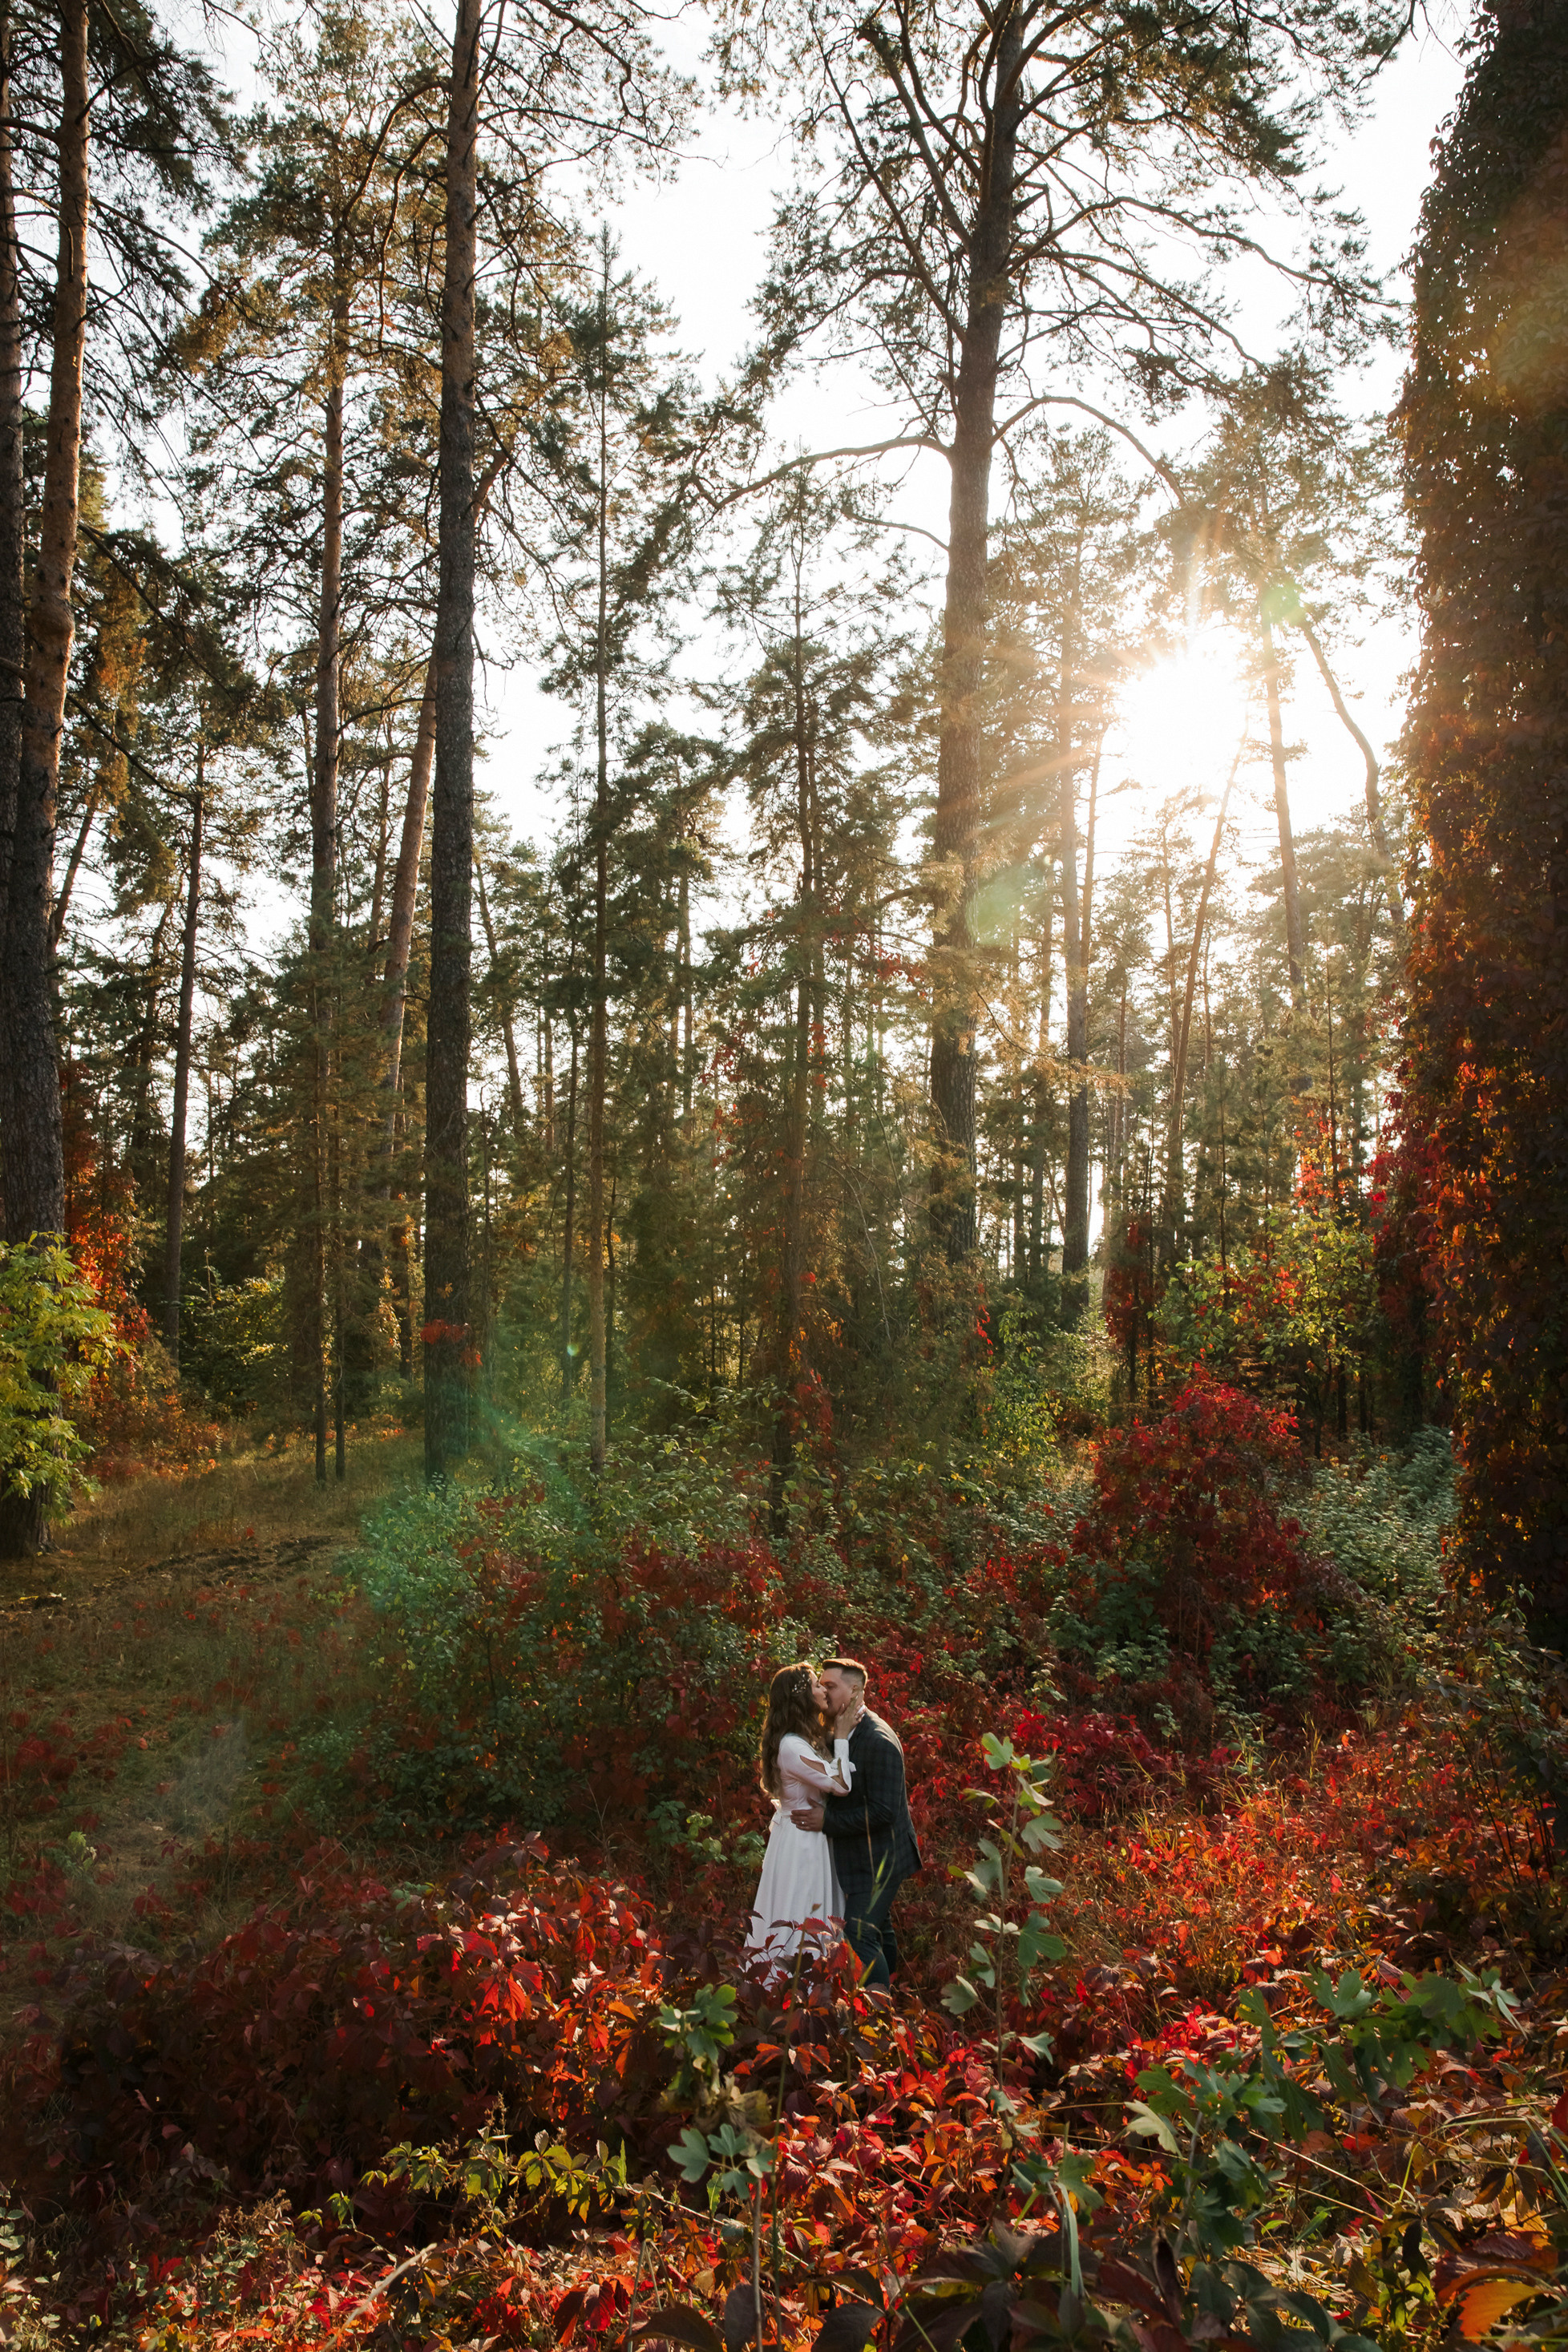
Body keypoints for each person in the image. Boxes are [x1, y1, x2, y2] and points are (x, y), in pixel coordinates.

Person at [790, 1655, 919, 1989]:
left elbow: (884, 1812)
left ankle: (879, 2017)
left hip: (882, 1860)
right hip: (863, 1857)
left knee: (859, 1938)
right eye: (822, 1684)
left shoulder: (878, 1741)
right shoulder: (842, 1732)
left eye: (830, 1686)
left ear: (856, 1692)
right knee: (880, 1930)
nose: (823, 1691)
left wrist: (827, 1820)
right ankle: (890, 1992)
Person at [745, 1663, 856, 1967]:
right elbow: (841, 1784)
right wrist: (843, 1736)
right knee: (802, 1909)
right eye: (816, 1685)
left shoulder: (802, 1739)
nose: (822, 1689)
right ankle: (796, 1987)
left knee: (811, 1913)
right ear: (802, 1697)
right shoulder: (793, 1747)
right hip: (803, 1844)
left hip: (808, 1837)